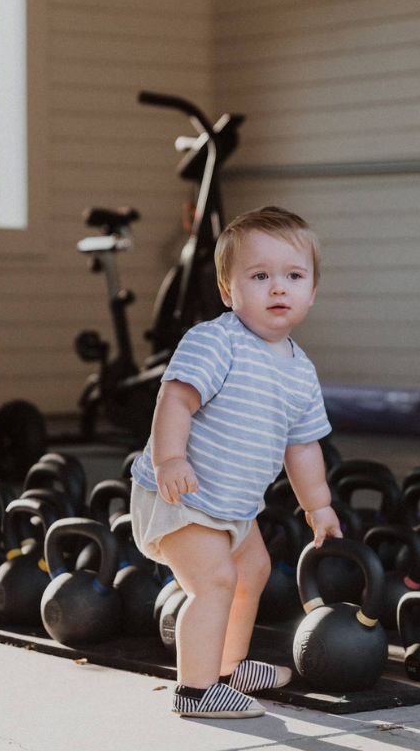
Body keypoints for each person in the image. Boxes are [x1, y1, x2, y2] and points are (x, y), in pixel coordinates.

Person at [128, 206, 340, 719]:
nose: (278, 289)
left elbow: (303, 446)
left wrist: (318, 506)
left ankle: (229, 666)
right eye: (259, 276)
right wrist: (170, 458)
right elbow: (175, 400)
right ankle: (196, 691)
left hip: (233, 507)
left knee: (254, 571)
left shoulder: (301, 370)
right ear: (229, 291)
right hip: (182, 494)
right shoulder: (215, 341)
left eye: (293, 276)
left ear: (312, 291)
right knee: (215, 582)